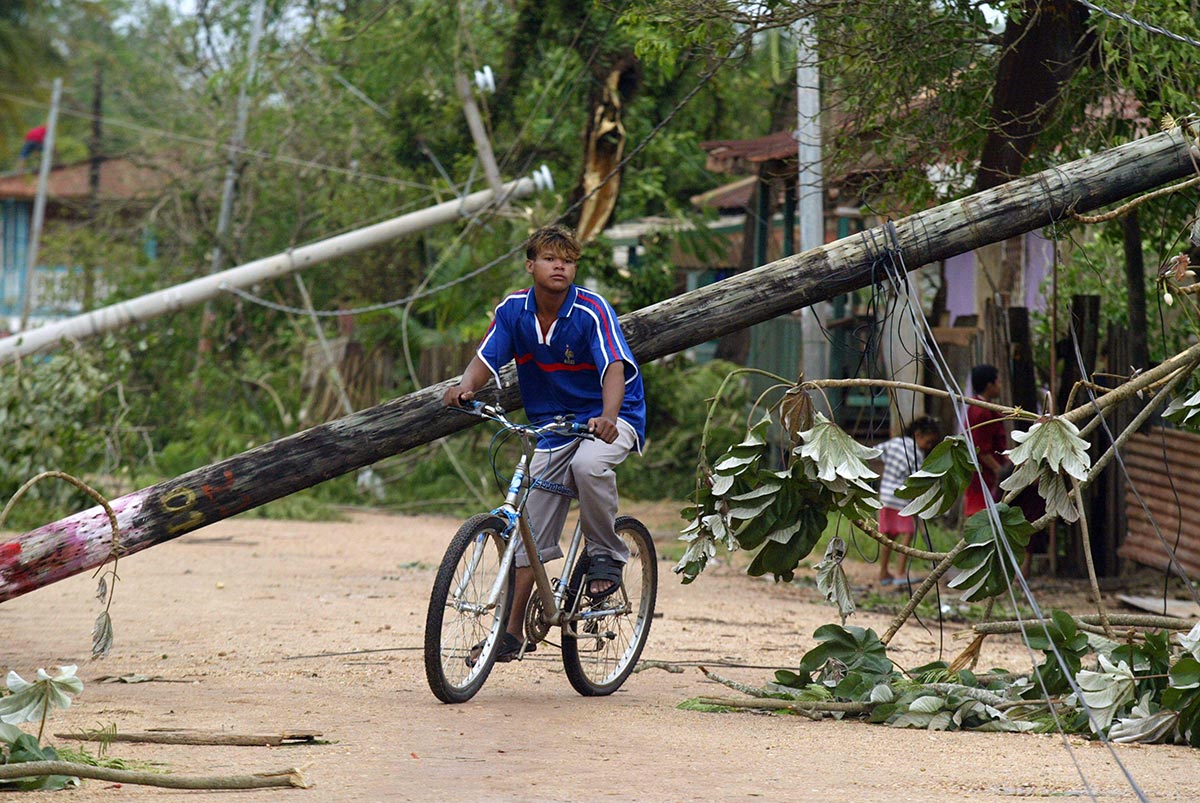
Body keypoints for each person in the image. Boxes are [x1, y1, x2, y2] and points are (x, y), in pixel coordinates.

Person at [443, 223, 646, 663]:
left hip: (612, 418)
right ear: (530, 264)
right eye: (551, 259)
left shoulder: (591, 310)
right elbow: (486, 356)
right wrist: (465, 387)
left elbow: (613, 365)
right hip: (552, 426)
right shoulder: (514, 311)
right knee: (527, 532)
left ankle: (607, 555)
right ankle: (510, 633)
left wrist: (609, 418)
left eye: (569, 260)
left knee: (589, 466)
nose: (561, 266)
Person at [877, 415, 941, 584]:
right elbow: (916, 481)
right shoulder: (917, 455)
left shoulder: (894, 443)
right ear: (918, 435)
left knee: (887, 535)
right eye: (928, 443)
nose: (928, 447)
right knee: (908, 533)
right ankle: (899, 573)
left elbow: (876, 452)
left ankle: (883, 572)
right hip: (901, 499)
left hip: (885, 496)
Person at [962, 364, 1011, 519]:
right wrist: (999, 471)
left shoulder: (976, 406)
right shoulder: (981, 411)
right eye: (999, 382)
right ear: (989, 385)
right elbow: (981, 449)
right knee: (982, 514)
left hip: (983, 472)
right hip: (983, 474)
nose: (1000, 386)